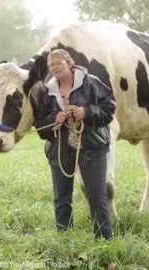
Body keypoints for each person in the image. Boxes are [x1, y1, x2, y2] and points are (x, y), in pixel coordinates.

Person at [35, 49, 116, 240]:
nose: (54, 67)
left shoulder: (91, 83)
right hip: (60, 151)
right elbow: (40, 127)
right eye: (51, 65)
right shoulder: (47, 92)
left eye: (58, 63)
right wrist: (54, 119)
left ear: (69, 63)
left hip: (92, 149)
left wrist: (87, 112)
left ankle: (105, 240)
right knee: (61, 199)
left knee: (97, 197)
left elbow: (109, 108)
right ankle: (65, 240)